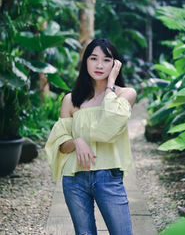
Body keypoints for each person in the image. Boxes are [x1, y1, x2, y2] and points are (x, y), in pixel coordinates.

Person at [45, 38, 137, 235]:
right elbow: (60, 143)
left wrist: (111, 84)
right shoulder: (71, 100)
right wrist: (77, 141)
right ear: (85, 61)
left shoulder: (125, 94)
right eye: (93, 58)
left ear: (115, 64)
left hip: (109, 177)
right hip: (75, 178)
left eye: (106, 60)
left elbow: (108, 127)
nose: (99, 65)